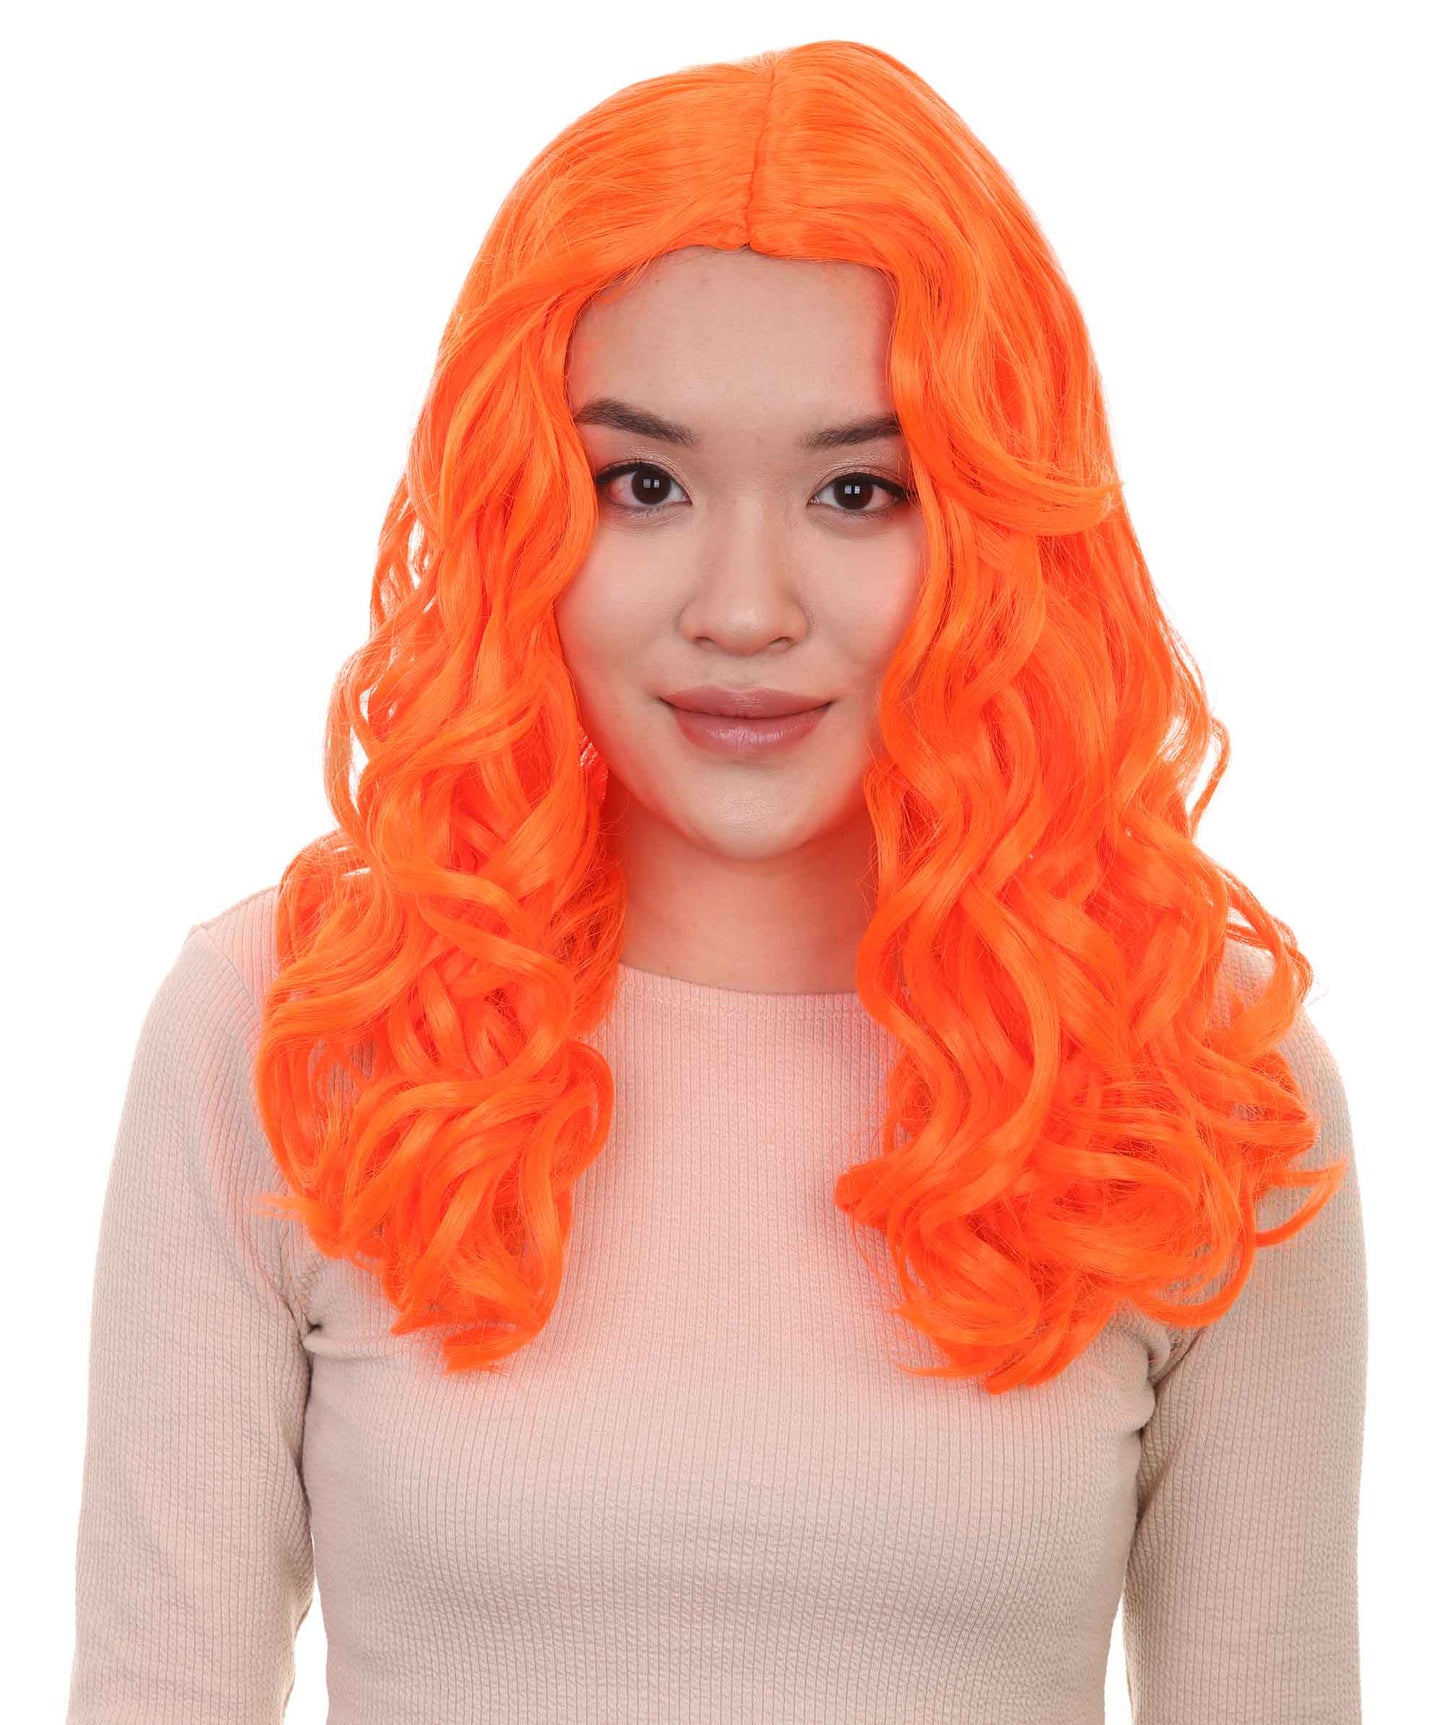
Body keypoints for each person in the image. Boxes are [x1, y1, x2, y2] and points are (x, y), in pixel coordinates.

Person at [65, 38, 1368, 1725]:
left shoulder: (1192, 1077)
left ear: (994, 529)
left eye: (857, 490)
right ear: (518, 510)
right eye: (644, 485)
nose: (743, 607)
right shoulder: (288, 1027)